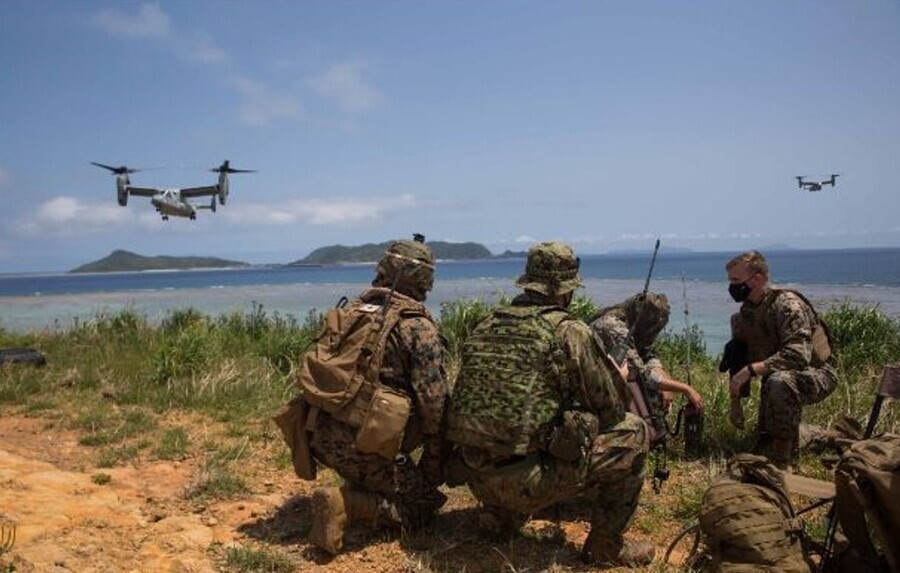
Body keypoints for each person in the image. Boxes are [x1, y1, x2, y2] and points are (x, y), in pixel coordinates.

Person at [445, 242, 655, 568]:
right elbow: (611, 411)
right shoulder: (568, 331)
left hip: (475, 475)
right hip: (527, 483)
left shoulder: (487, 324)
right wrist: (617, 376)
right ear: (565, 291)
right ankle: (605, 548)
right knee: (635, 432)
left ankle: (498, 518)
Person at [303, 236, 448, 555]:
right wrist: (436, 460)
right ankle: (350, 505)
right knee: (424, 507)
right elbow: (435, 407)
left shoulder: (351, 311)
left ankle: (363, 482)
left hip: (319, 438)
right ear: (425, 280)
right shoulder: (416, 327)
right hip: (365, 447)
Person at [725, 250, 837, 470]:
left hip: (815, 374)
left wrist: (750, 370)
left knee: (779, 382)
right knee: (764, 439)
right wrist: (735, 403)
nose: (732, 287)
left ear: (757, 278)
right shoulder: (746, 314)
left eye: (736, 280)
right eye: (730, 281)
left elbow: (798, 355)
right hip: (776, 377)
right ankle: (819, 436)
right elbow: (738, 359)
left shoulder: (787, 305)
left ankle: (782, 461)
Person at [590, 292, 705, 418]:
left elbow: (646, 350)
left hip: (606, 377)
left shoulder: (629, 321)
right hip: (594, 384)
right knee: (649, 393)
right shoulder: (614, 328)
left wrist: (658, 369)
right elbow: (640, 374)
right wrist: (685, 389)